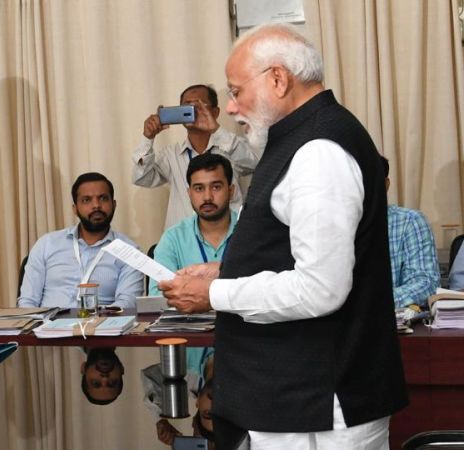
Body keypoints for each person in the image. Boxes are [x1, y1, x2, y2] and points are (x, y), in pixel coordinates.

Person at [159, 23, 407, 449]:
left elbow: (320, 288)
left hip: (319, 407)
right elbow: (294, 252)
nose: (232, 107)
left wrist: (216, 292)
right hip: (293, 399)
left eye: (237, 91)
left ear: (278, 78)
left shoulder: (318, 151)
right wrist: (228, 268)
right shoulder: (300, 136)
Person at [131, 84, 259, 229]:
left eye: (199, 105)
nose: (192, 110)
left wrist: (216, 130)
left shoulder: (230, 146)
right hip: (183, 245)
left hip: (229, 239)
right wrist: (148, 138)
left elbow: (253, 165)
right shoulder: (171, 155)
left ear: (215, 112)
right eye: (186, 106)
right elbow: (141, 178)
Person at [17, 172, 144, 309]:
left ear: (114, 205)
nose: (96, 205)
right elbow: (27, 302)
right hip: (47, 326)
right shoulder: (47, 244)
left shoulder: (130, 251)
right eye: (86, 200)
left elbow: (127, 304)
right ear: (75, 209)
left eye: (103, 198)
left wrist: (96, 321)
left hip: (102, 326)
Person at [149, 153, 238, 295]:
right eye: (199, 188)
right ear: (189, 193)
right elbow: (157, 295)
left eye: (216, 187)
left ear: (231, 191)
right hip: (188, 317)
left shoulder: (252, 232)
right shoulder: (173, 238)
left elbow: (263, 286)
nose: (207, 197)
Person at [382, 156, 440, 308]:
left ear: (386, 185)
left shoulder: (409, 222)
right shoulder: (329, 225)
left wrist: (371, 303)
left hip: (389, 324)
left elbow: (426, 282)